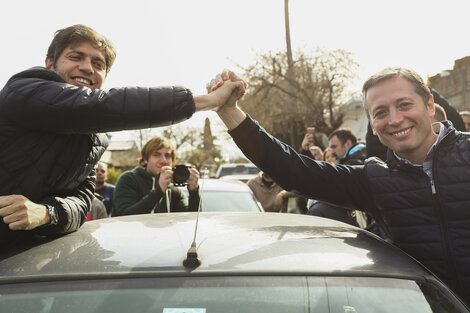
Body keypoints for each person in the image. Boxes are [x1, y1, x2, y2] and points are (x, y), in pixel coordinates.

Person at [209, 68, 470, 306]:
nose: (394, 119)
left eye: (404, 105)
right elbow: (294, 171)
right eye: (380, 112)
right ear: (373, 128)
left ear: (430, 105)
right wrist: (229, 111)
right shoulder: (374, 180)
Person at [0, 24, 244, 247]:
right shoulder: (23, 90)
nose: (87, 67)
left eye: (98, 63)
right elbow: (97, 106)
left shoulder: (94, 140)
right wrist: (207, 101)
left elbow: (82, 201)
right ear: (49, 63)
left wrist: (46, 212)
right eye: (76, 57)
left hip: (30, 264)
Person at [112, 136, 200, 216]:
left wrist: (194, 192)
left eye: (167, 155)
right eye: (156, 155)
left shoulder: (174, 191)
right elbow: (124, 216)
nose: (163, 160)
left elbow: (191, 220)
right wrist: (159, 191)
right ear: (145, 159)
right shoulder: (129, 179)